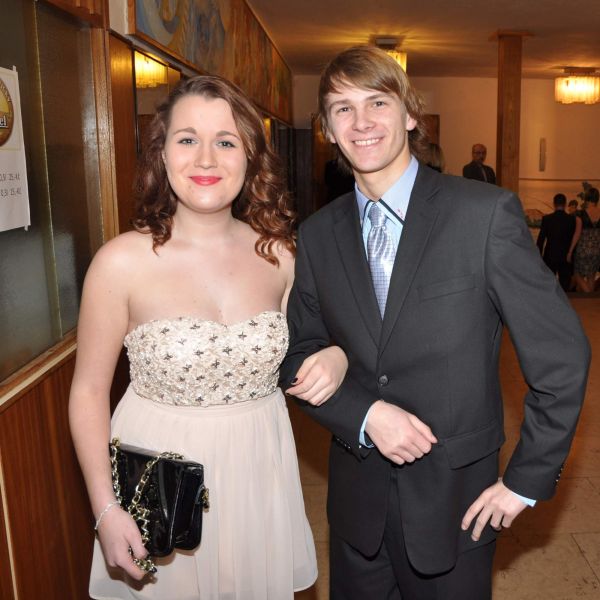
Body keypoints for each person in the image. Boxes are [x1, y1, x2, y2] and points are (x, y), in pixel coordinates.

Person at [281, 46, 590, 600]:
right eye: (342, 108)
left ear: (409, 114)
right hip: (356, 510)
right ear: (327, 129)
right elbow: (295, 353)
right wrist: (365, 413)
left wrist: (525, 480)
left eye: (378, 102)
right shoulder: (318, 234)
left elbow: (562, 356)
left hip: (456, 505)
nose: (362, 121)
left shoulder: (483, 215)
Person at [69, 75, 349, 599]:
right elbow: (87, 391)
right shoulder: (119, 262)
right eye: (187, 139)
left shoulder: (281, 255)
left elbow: (314, 344)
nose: (205, 159)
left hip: (257, 471)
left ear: (249, 157)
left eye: (225, 141)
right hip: (159, 479)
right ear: (162, 154)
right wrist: (105, 508)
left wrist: (337, 356)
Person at [536, 193, 576, 292]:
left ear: (554, 204)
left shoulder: (547, 219)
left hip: (550, 255)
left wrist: (539, 256)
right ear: (565, 204)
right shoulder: (571, 219)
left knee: (549, 286)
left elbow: (540, 240)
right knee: (565, 287)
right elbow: (574, 240)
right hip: (565, 257)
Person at [568, 186, 600, 293]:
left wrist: (570, 251)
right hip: (596, 250)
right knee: (591, 277)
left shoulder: (580, 214)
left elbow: (577, 234)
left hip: (582, 250)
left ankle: (590, 296)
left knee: (577, 274)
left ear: (586, 198)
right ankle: (590, 299)